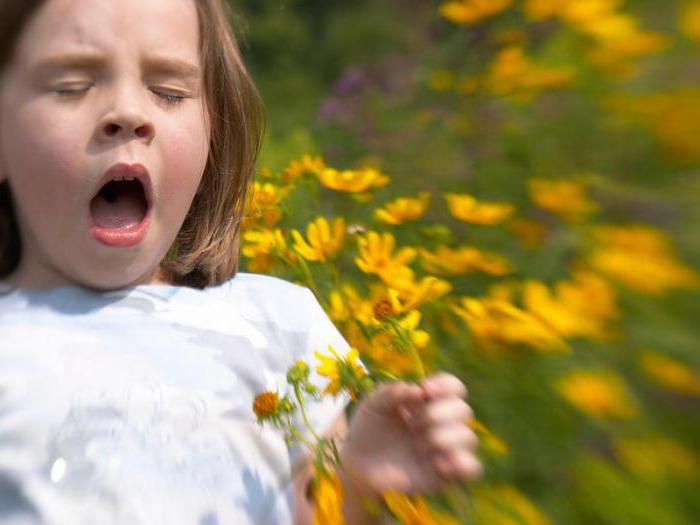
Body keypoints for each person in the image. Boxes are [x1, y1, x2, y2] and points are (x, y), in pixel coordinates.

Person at [0, 0, 482, 523]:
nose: (129, 115)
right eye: (71, 85)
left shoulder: (276, 323)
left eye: (169, 91)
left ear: (214, 132)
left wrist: (359, 484)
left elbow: (312, 511)